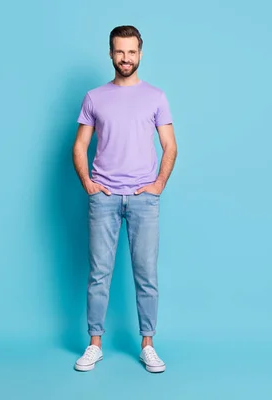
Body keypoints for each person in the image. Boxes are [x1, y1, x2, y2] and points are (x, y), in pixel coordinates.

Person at [71, 25, 177, 373]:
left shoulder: (156, 97)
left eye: (131, 52)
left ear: (140, 53)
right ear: (111, 53)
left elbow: (170, 146)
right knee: (99, 274)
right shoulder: (94, 97)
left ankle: (148, 345)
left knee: (146, 275)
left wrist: (158, 183)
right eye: (120, 52)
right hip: (104, 198)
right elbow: (80, 146)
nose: (126, 58)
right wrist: (88, 182)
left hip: (144, 199)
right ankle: (94, 345)